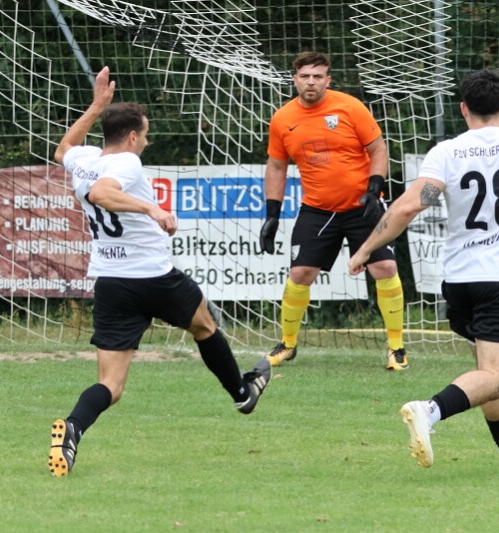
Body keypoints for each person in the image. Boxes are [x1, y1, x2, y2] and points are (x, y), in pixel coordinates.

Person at [348, 69, 499, 473]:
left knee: (486, 372)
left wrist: (367, 248)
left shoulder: (448, 152)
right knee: (498, 378)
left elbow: (408, 207)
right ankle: (429, 410)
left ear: (463, 109)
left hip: (459, 282)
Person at [48, 66, 271, 478]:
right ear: (132, 137)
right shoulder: (128, 163)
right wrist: (152, 208)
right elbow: (103, 193)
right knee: (205, 325)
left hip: (111, 281)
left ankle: (73, 428)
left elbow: (64, 148)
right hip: (153, 276)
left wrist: (95, 107)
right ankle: (242, 393)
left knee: (111, 386)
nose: (146, 142)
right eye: (145, 135)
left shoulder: (84, 160)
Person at [259, 51, 408, 371]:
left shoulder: (350, 107)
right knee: (300, 273)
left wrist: (374, 189)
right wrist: (272, 213)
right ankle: (287, 344)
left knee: (384, 268)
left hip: (362, 206)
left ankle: (396, 348)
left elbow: (378, 149)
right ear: (295, 79)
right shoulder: (283, 118)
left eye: (317, 76)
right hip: (318, 209)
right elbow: (276, 166)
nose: (311, 82)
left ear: (328, 80)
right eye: (304, 76)